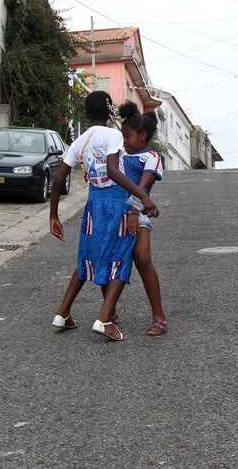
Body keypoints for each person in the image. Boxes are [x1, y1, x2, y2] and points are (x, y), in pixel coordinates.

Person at [49, 91, 159, 342]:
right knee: (120, 258)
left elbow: (58, 180)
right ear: (111, 113)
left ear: (87, 114)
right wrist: (142, 196)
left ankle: (63, 313)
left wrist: (53, 216)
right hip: (117, 202)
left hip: (93, 204)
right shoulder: (114, 135)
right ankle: (105, 319)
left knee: (88, 256)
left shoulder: (80, 141)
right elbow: (112, 169)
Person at [118, 101, 168, 336]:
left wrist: (134, 212)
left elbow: (143, 186)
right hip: (112, 213)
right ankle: (110, 312)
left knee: (142, 258)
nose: (124, 141)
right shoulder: (118, 155)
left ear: (142, 135)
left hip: (136, 213)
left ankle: (159, 316)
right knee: (110, 261)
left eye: (127, 136)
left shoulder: (151, 156)